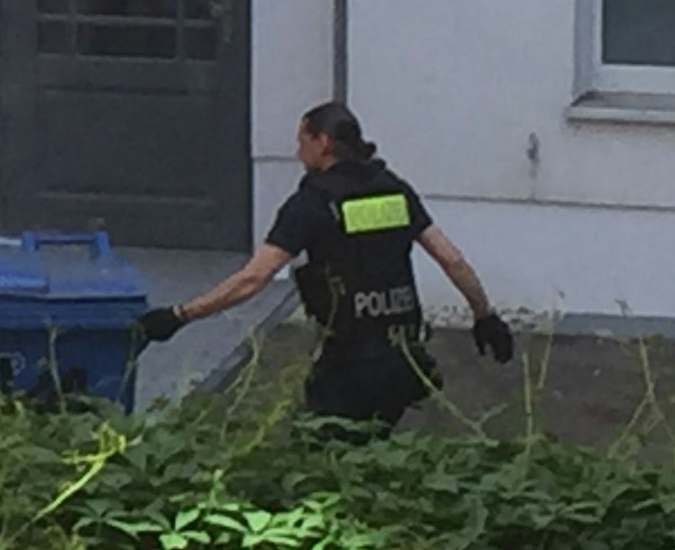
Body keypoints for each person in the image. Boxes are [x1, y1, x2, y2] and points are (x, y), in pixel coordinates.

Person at [137, 101, 515, 435]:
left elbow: (252, 279)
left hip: (347, 366)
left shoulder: (311, 204)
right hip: (403, 359)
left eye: (302, 141)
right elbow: (452, 259)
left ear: (323, 143)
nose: (298, 152)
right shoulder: (394, 190)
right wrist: (485, 316)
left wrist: (180, 315)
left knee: (319, 458)